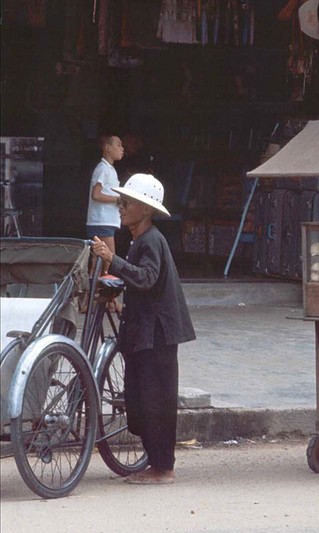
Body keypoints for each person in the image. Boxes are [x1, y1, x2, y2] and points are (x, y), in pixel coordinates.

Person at [91, 173, 195, 484]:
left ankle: (164, 468)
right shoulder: (140, 240)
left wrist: (113, 260)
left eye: (127, 203)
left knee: (157, 401)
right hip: (145, 332)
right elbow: (140, 279)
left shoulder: (151, 241)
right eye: (121, 202)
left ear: (145, 210)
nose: (121, 207)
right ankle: (156, 463)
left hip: (158, 334)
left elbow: (147, 278)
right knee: (140, 399)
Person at [86, 135, 124, 274]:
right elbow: (96, 195)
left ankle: (91, 292)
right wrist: (117, 199)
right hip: (102, 221)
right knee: (109, 259)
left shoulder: (110, 169)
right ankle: (106, 294)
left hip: (104, 221)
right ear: (107, 148)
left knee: (97, 260)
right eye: (118, 145)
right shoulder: (103, 169)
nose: (122, 149)